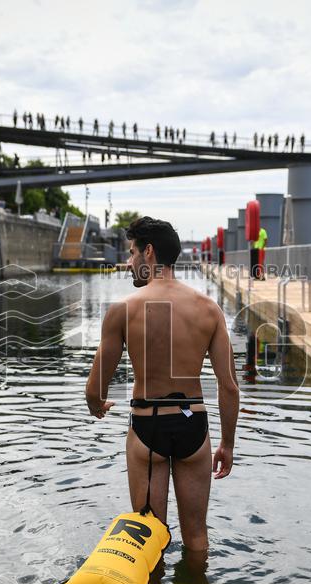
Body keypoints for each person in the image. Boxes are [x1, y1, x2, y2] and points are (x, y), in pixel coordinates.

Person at [85, 216, 238, 553]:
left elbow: (95, 391)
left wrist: (98, 407)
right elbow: (228, 387)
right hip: (193, 426)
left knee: (149, 539)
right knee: (197, 537)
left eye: (131, 253)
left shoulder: (123, 310)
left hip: (147, 427)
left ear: (148, 252)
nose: (127, 263)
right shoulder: (209, 310)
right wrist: (227, 444)